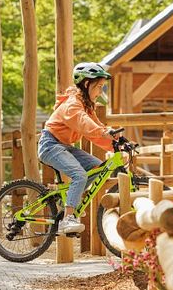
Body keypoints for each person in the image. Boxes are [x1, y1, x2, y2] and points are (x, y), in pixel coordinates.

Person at [38, 62, 116, 234]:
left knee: (98, 167)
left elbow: (96, 129)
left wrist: (117, 144)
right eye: (99, 87)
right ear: (87, 84)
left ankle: (69, 201)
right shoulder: (73, 104)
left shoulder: (87, 105)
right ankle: (67, 219)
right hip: (50, 145)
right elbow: (84, 123)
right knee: (79, 175)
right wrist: (103, 132)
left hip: (64, 146)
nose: (100, 92)